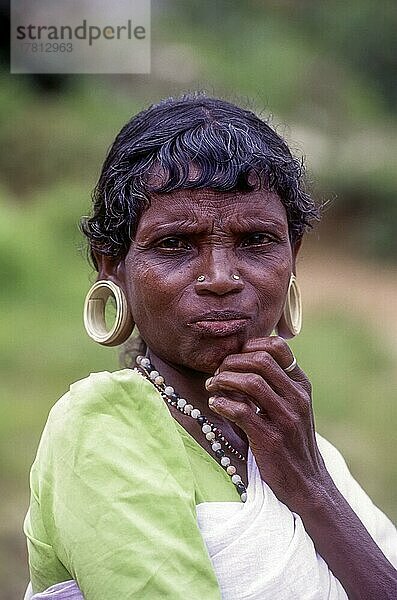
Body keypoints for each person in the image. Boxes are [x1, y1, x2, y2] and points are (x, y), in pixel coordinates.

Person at [24, 94, 397, 599]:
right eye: (175, 244)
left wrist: (311, 486)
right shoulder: (101, 427)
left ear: (294, 254)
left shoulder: (300, 447)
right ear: (112, 263)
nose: (220, 278)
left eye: (256, 241)